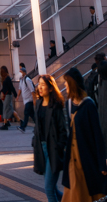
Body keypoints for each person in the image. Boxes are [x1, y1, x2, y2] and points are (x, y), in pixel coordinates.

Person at [62, 67, 107, 202]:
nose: (64, 85)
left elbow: (97, 135)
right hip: (72, 156)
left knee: (88, 190)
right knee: (73, 190)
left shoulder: (88, 104)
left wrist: (102, 164)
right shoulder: (69, 104)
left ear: (73, 84)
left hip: (86, 156)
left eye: (67, 82)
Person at [32, 74, 68, 202]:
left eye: (43, 85)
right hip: (41, 149)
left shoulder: (56, 106)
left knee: (48, 189)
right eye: (39, 85)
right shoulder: (38, 104)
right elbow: (37, 126)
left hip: (53, 150)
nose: (40, 88)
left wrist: (59, 147)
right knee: (52, 189)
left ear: (51, 88)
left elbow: (63, 130)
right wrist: (34, 141)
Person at [18, 64, 36, 132]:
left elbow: (32, 90)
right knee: (32, 115)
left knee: (26, 113)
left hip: (29, 100)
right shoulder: (21, 80)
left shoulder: (27, 79)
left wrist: (34, 100)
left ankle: (23, 127)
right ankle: (39, 126)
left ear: (24, 72)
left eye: (21, 72)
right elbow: (20, 89)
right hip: (26, 100)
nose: (21, 74)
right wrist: (18, 96)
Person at [0, 65, 16, 130]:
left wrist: (15, 95)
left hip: (7, 95)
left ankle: (5, 123)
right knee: (9, 108)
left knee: (6, 108)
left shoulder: (7, 78)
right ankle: (18, 120)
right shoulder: (6, 78)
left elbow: (11, 87)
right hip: (7, 95)